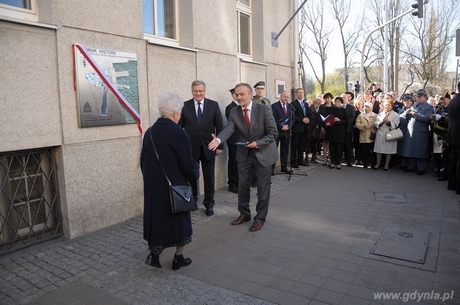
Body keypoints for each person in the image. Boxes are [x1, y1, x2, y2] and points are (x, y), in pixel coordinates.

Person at [208, 83, 278, 232]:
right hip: (245, 154)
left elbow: (273, 134)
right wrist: (218, 140)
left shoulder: (264, 110)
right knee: (243, 186)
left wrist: (257, 143)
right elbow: (228, 129)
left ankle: (260, 218)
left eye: (242, 94)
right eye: (236, 94)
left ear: (250, 94)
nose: (238, 97)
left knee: (263, 189)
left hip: (263, 153)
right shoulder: (234, 112)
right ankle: (244, 213)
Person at [141, 93, 199, 270]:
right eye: (179, 112)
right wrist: (196, 171)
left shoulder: (149, 132)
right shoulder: (179, 133)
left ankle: (155, 257)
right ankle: (178, 258)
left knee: (157, 222)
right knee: (179, 223)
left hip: (154, 188)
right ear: (175, 113)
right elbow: (188, 165)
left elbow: (143, 161)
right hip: (176, 188)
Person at [179, 80, 224, 216]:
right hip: (190, 148)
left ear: (205, 91)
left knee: (209, 178)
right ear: (191, 91)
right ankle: (192, 201)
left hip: (209, 147)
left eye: (200, 91)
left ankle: (209, 204)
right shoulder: (184, 106)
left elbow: (220, 127)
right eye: (195, 91)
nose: (198, 93)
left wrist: (219, 146)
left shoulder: (213, 105)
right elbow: (179, 127)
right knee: (192, 177)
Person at [400, 89, 434, 175]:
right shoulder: (414, 105)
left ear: (425, 97)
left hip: (421, 132)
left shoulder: (429, 107)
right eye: (417, 97)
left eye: (420, 97)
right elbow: (406, 118)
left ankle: (421, 168)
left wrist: (417, 115)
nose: (417, 98)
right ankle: (411, 167)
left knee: (420, 150)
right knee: (411, 149)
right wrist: (407, 113)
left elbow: (428, 119)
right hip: (411, 131)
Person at [373, 98, 400, 171]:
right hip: (380, 133)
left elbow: (396, 124)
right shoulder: (380, 114)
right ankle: (378, 163)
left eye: (388, 105)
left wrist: (388, 122)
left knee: (389, 150)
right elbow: (375, 123)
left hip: (389, 133)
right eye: (385, 105)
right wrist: (381, 122)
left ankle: (386, 164)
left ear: (392, 106)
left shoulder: (396, 115)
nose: (386, 107)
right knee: (379, 150)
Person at [271, 90, 293, 174]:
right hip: (277, 131)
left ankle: (284, 167)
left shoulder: (290, 106)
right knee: (274, 150)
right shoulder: (274, 106)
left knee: (285, 150)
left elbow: (292, 118)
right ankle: (272, 168)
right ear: (281, 96)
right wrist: (281, 126)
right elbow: (273, 118)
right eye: (284, 97)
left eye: (287, 97)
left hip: (286, 132)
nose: (286, 98)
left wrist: (288, 126)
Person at [325, 96, 347, 169]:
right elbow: (327, 118)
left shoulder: (344, 110)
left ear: (341, 103)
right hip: (331, 131)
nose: (337, 103)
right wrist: (327, 123)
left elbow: (346, 121)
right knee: (332, 148)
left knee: (338, 148)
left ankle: (338, 163)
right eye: (336, 102)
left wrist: (339, 120)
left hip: (340, 132)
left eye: (338, 102)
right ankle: (332, 162)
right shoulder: (331, 109)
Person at [290, 88, 310, 167]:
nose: (301, 94)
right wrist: (302, 120)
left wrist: (308, 119)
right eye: (299, 93)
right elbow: (293, 116)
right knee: (295, 146)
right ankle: (293, 162)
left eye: (302, 92)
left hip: (304, 129)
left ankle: (300, 160)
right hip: (297, 128)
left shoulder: (305, 104)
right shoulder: (293, 104)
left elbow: (308, 113)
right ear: (296, 94)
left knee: (302, 146)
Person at [225, 88, 239, 193]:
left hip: (243, 139)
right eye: (236, 94)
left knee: (241, 162)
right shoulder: (230, 107)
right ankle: (232, 183)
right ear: (232, 95)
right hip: (234, 139)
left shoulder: (242, 106)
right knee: (233, 162)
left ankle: (239, 182)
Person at [447, 82, 460, 194]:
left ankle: (451, 184)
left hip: (452, 134)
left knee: (453, 159)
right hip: (458, 134)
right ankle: (458, 187)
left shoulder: (453, 101)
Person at [355, 101, 377, 169]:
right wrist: (364, 126)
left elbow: (377, 123)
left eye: (368, 107)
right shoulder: (360, 115)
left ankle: (372, 163)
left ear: (371, 108)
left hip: (372, 134)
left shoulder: (375, 115)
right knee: (364, 150)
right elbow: (357, 124)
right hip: (363, 135)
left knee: (372, 150)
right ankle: (365, 163)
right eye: (365, 107)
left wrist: (371, 125)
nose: (366, 108)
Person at [397, 94, 415, 171]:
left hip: (411, 132)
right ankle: (403, 164)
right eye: (405, 101)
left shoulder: (414, 109)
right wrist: (405, 114)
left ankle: (410, 165)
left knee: (410, 149)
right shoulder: (401, 110)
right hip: (402, 131)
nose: (406, 102)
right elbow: (398, 118)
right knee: (402, 148)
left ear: (412, 102)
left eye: (408, 101)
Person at [319, 92, 334, 166]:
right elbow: (320, 116)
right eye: (326, 98)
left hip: (332, 127)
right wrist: (322, 126)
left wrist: (330, 123)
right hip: (324, 126)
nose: (328, 99)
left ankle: (331, 160)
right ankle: (324, 159)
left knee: (331, 144)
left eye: (329, 98)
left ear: (331, 98)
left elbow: (334, 116)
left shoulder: (334, 107)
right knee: (324, 143)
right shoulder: (322, 106)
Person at [342, 92, 356, 166]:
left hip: (348, 129)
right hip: (340, 129)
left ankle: (348, 161)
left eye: (344, 97)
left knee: (348, 145)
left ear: (347, 98)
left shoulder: (351, 107)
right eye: (342, 97)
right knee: (340, 145)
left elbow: (352, 117)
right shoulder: (338, 106)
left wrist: (346, 122)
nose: (343, 98)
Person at [308, 98, 323, 164]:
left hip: (318, 129)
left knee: (316, 143)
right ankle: (306, 157)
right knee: (309, 143)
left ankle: (314, 157)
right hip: (311, 128)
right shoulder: (310, 109)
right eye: (315, 103)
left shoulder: (321, 110)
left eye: (318, 104)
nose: (317, 105)